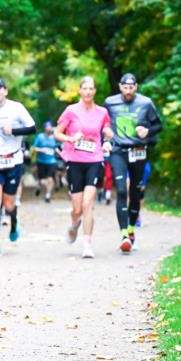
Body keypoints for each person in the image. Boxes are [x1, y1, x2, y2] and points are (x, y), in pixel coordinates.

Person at [103, 73, 163, 252]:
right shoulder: (110, 103)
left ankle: (131, 231)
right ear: (120, 87)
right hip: (118, 151)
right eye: (125, 88)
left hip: (138, 151)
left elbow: (158, 125)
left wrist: (147, 131)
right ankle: (123, 236)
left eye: (131, 88)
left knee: (135, 193)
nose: (128, 91)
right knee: (121, 190)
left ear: (136, 87)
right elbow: (102, 124)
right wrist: (104, 141)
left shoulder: (145, 103)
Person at [0, 77, 36, 257]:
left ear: (5, 91)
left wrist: (14, 131)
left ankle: (14, 222)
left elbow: (32, 128)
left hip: (13, 160)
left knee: (9, 203)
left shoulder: (16, 108)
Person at [53, 76, 110, 259]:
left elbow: (107, 130)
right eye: (85, 88)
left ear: (94, 91)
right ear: (80, 90)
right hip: (74, 161)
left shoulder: (102, 112)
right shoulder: (71, 111)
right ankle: (74, 223)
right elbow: (57, 133)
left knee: (88, 205)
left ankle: (87, 245)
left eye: (91, 88)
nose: (88, 92)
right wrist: (70, 139)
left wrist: (109, 137)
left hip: (95, 159)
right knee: (77, 208)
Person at [31, 121, 59, 202]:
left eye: (50, 127)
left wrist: (61, 153)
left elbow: (55, 147)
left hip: (52, 161)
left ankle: (48, 195)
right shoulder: (40, 137)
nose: (49, 128)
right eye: (47, 127)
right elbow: (34, 148)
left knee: (51, 179)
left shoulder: (53, 137)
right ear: (45, 128)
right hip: (41, 161)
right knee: (42, 180)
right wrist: (42, 150)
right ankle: (39, 185)